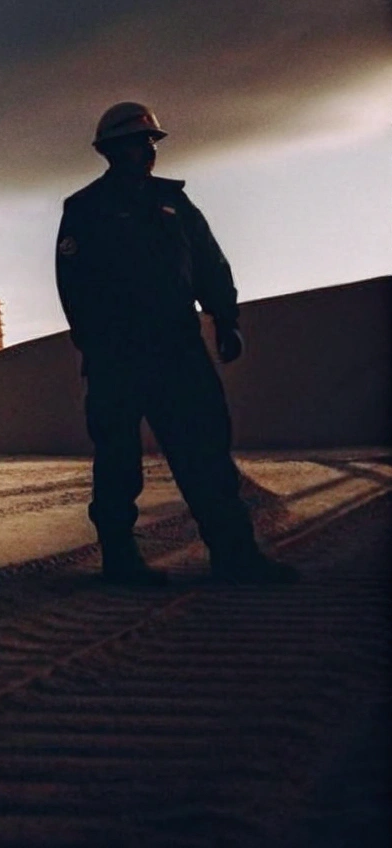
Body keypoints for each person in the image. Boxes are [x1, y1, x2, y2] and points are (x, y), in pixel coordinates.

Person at [55, 102, 297, 585]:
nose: (148, 151)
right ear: (112, 151)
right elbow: (73, 285)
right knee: (118, 462)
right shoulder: (83, 210)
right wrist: (97, 347)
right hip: (116, 357)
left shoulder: (176, 204)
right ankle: (121, 563)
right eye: (137, 143)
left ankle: (235, 556)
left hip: (178, 350)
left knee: (205, 453)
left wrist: (226, 318)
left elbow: (209, 264)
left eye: (150, 142)